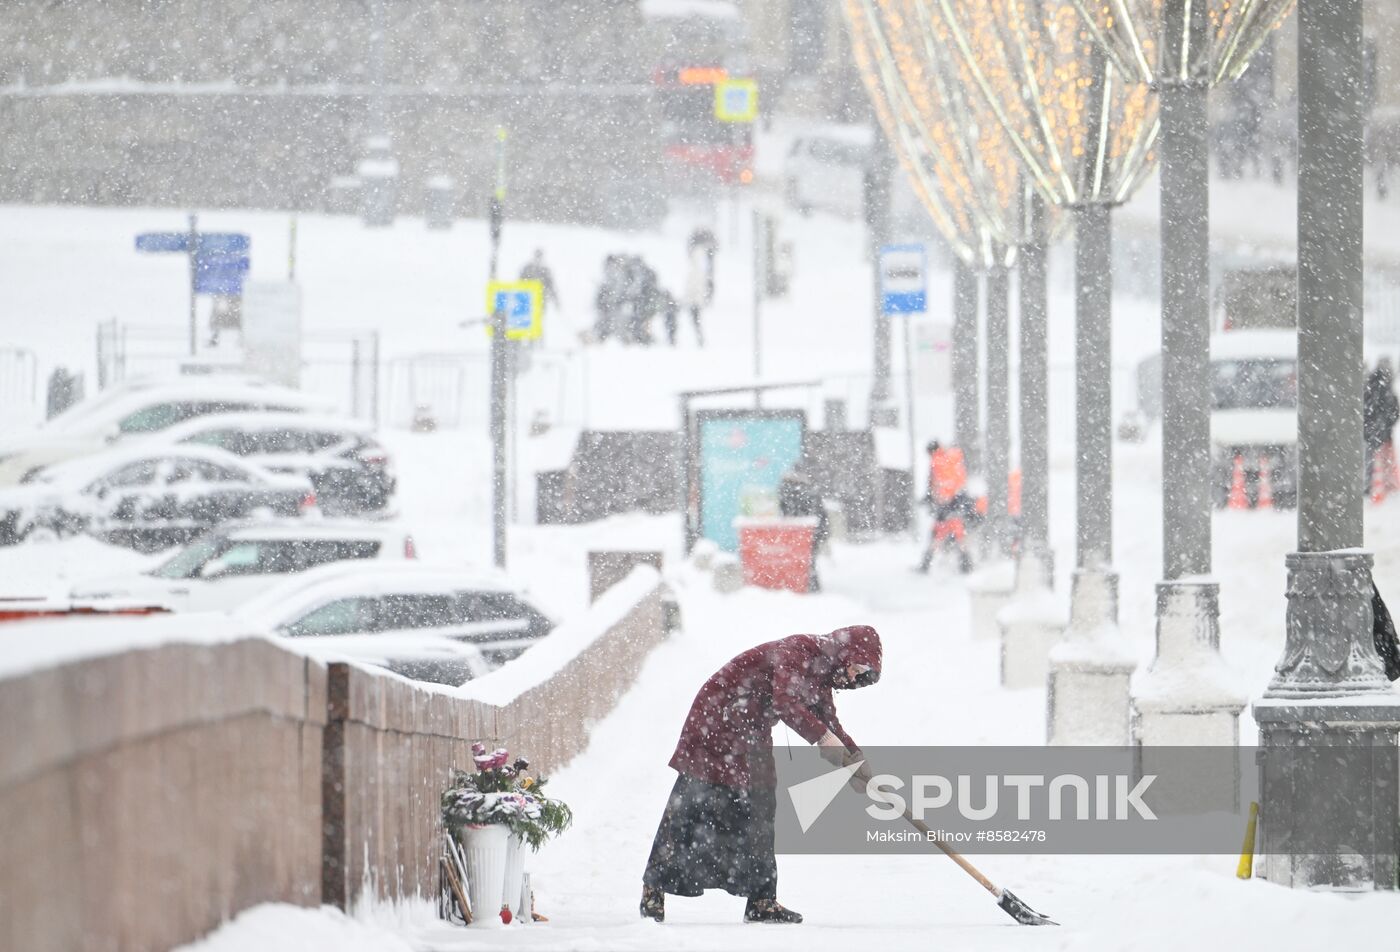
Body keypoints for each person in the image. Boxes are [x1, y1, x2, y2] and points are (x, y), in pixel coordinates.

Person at [642, 625, 881, 925]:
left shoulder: (821, 676)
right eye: (857, 668)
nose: (854, 677)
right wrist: (823, 739)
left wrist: (856, 761)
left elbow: (828, 721)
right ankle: (653, 892)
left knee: (760, 804)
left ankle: (762, 901)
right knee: (691, 800)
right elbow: (785, 702)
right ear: (847, 654)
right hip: (719, 716)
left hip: (750, 727)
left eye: (861, 675)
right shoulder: (799, 651)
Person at [915, 440, 973, 574]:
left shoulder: (937, 461)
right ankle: (966, 564)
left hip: (947, 503)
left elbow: (938, 484)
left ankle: (926, 563)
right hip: (959, 500)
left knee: (938, 533)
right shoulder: (953, 455)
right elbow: (959, 478)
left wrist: (935, 499)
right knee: (958, 533)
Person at [779, 463, 828, 592]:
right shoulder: (809, 490)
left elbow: (785, 511)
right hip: (810, 531)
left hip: (798, 532)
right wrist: (823, 532)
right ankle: (810, 586)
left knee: (801, 561)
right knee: (809, 561)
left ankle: (798, 585)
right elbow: (821, 514)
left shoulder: (787, 489)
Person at [1364, 359, 1399, 500]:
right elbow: (1395, 411)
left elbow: (1366, 409)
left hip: (1370, 432)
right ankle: (1384, 485)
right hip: (1384, 432)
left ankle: (1371, 485)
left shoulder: (1370, 386)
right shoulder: (1387, 388)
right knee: (1383, 460)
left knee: (1371, 458)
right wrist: (1387, 425)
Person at [681, 230, 715, 347]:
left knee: (695, 320)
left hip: (694, 300)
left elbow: (697, 286)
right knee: (695, 321)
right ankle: (699, 338)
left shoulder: (697, 270)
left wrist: (692, 298)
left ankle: (700, 339)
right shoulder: (699, 269)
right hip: (694, 300)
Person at [518, 249, 560, 315]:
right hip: (527, 300)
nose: (538, 259)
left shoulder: (545, 271)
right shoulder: (527, 269)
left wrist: (556, 301)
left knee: (538, 319)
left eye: (539, 257)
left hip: (541, 300)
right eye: (537, 256)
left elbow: (551, 287)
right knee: (528, 320)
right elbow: (520, 284)